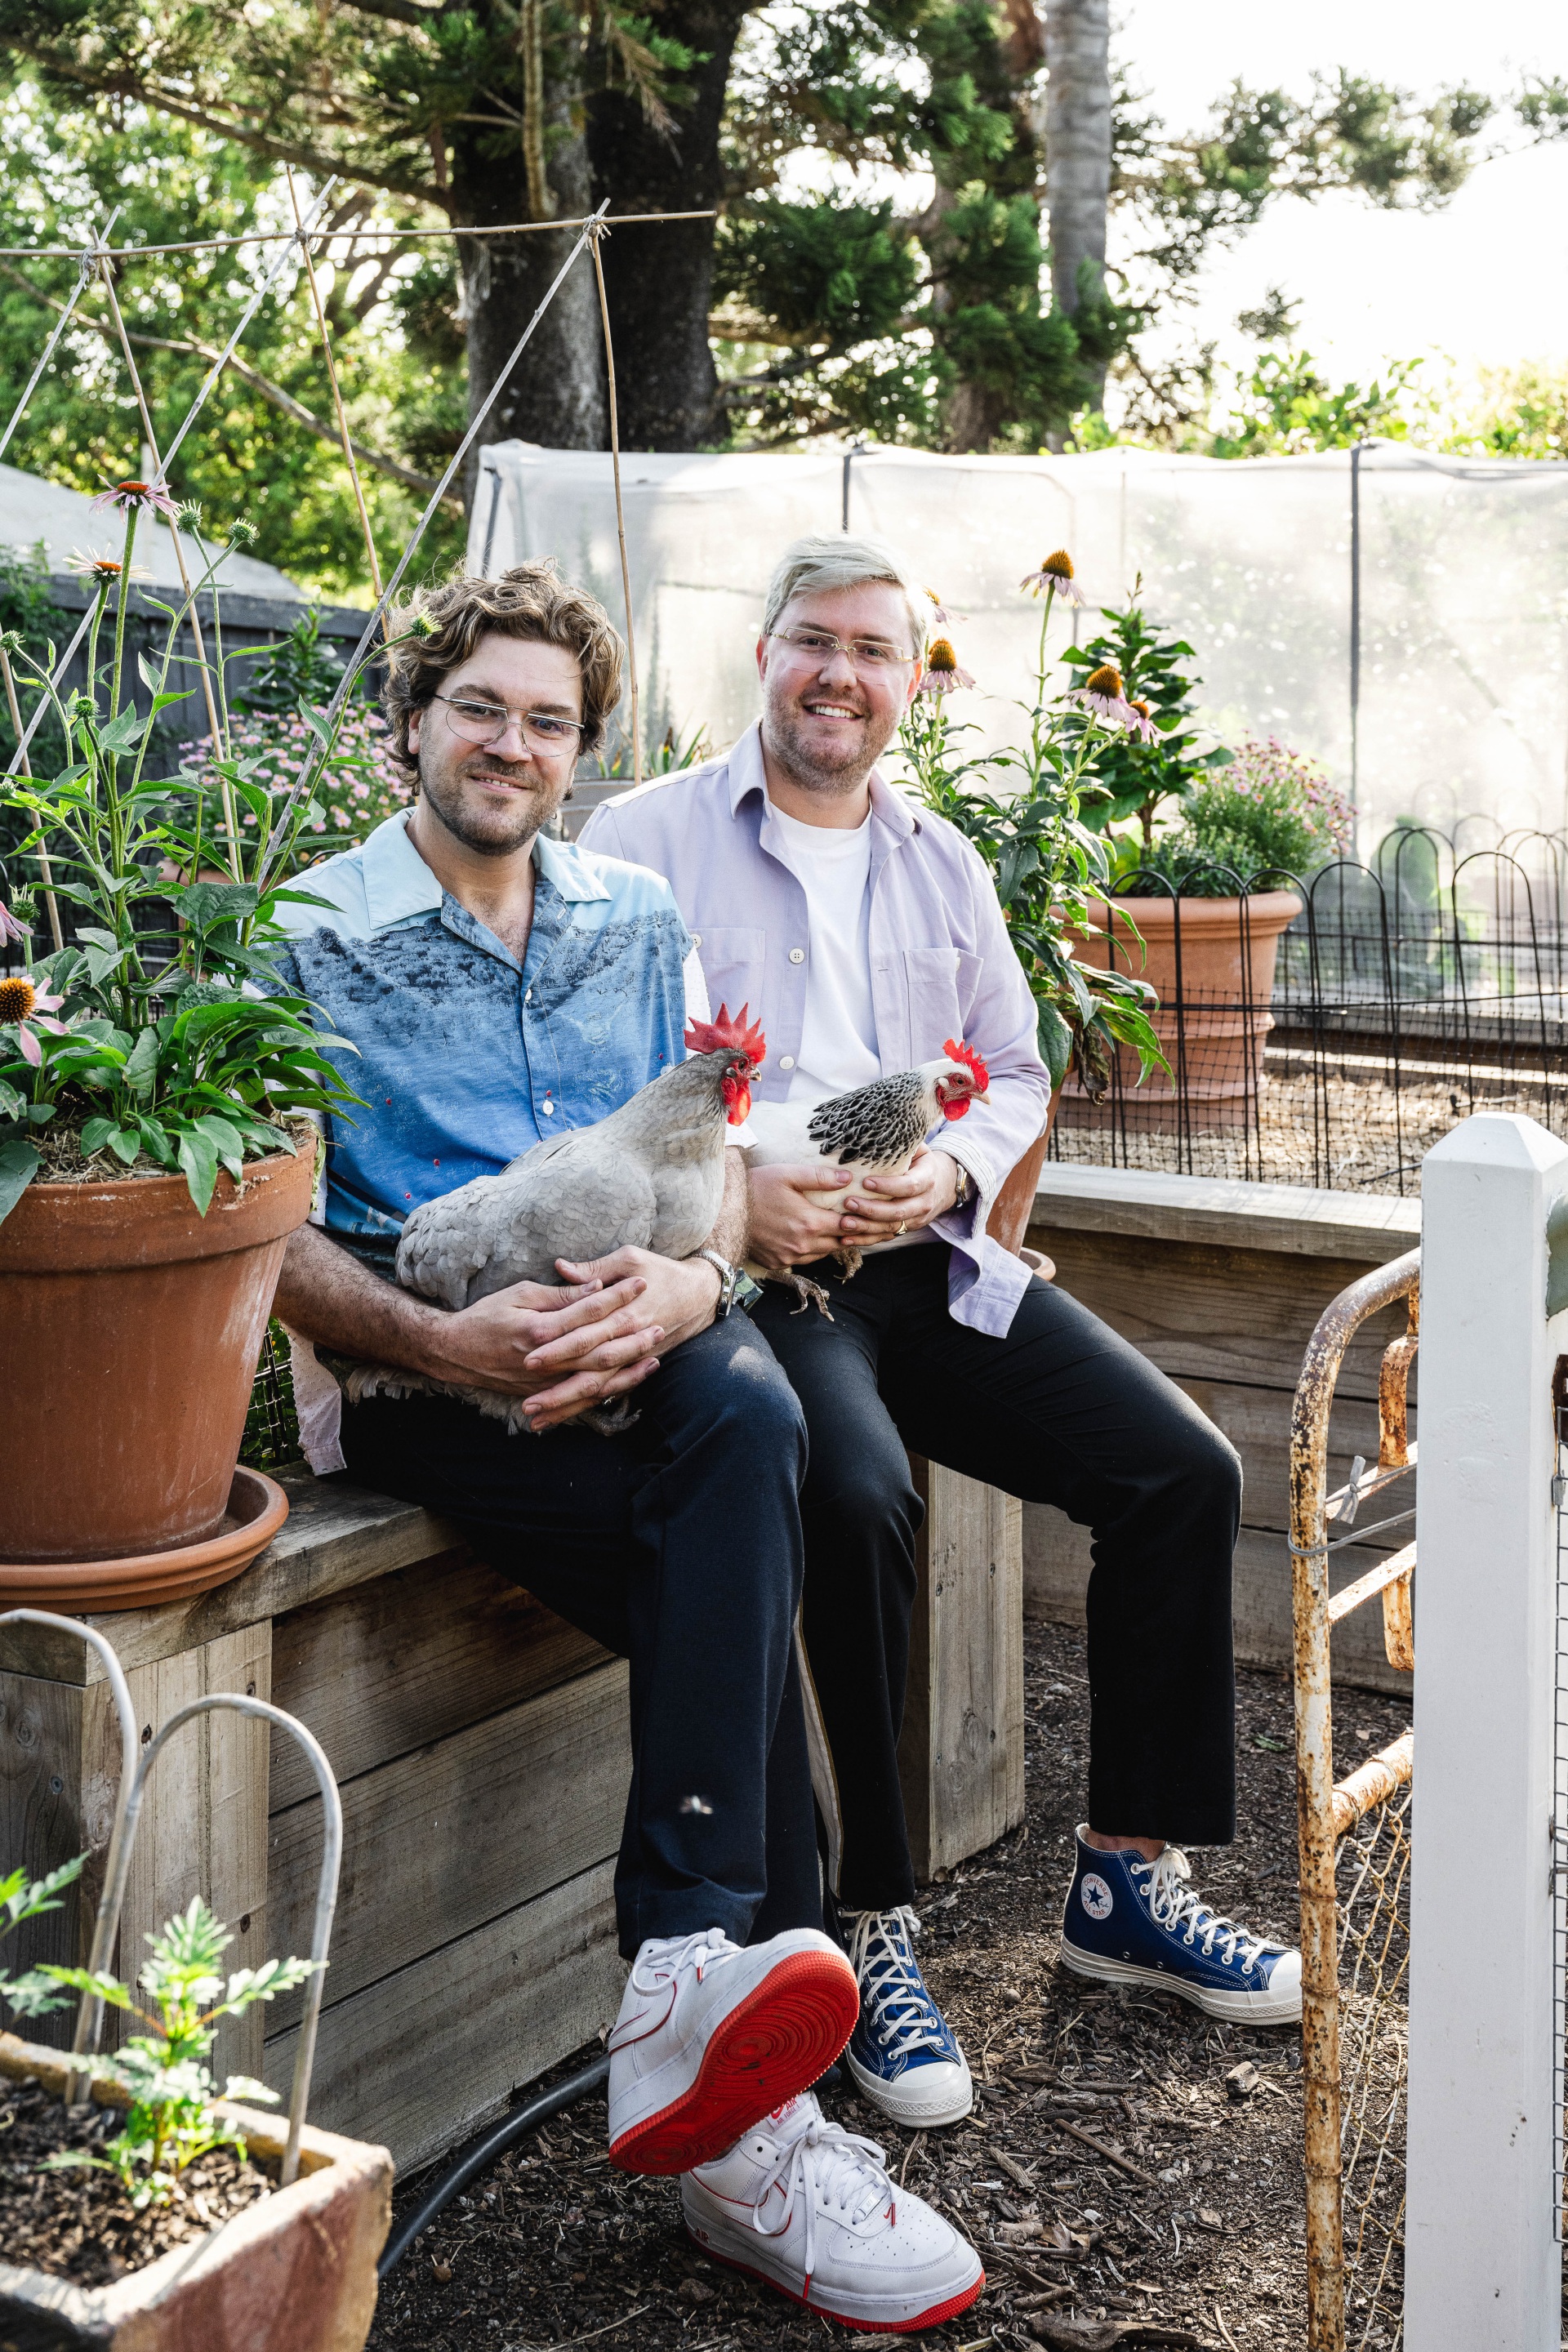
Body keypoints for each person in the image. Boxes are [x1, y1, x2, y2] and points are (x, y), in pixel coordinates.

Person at [268, 560, 985, 2334]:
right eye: (480, 709)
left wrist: (687, 1285)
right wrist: (441, 1336)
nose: (510, 745)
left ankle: (689, 1970)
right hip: (445, 1388)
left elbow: (706, 1185)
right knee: (745, 1524)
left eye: (546, 722)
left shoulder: (628, 921)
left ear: (580, 756)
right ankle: (749, 2127)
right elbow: (262, 1232)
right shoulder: (302, 935)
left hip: (651, 1358)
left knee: (739, 1398)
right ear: (412, 722)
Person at [581, 532, 1303, 2132]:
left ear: (916, 679)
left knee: (1181, 1471)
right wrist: (750, 1189)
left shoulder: (942, 862)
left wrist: (953, 1168)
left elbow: (1019, 1069)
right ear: (763, 656)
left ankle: (1125, 1879)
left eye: (876, 650)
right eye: (814, 641)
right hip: (759, 1274)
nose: (842, 674)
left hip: (930, 1259)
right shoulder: (638, 844)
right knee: (853, 1496)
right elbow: (600, 1075)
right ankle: (876, 1922)